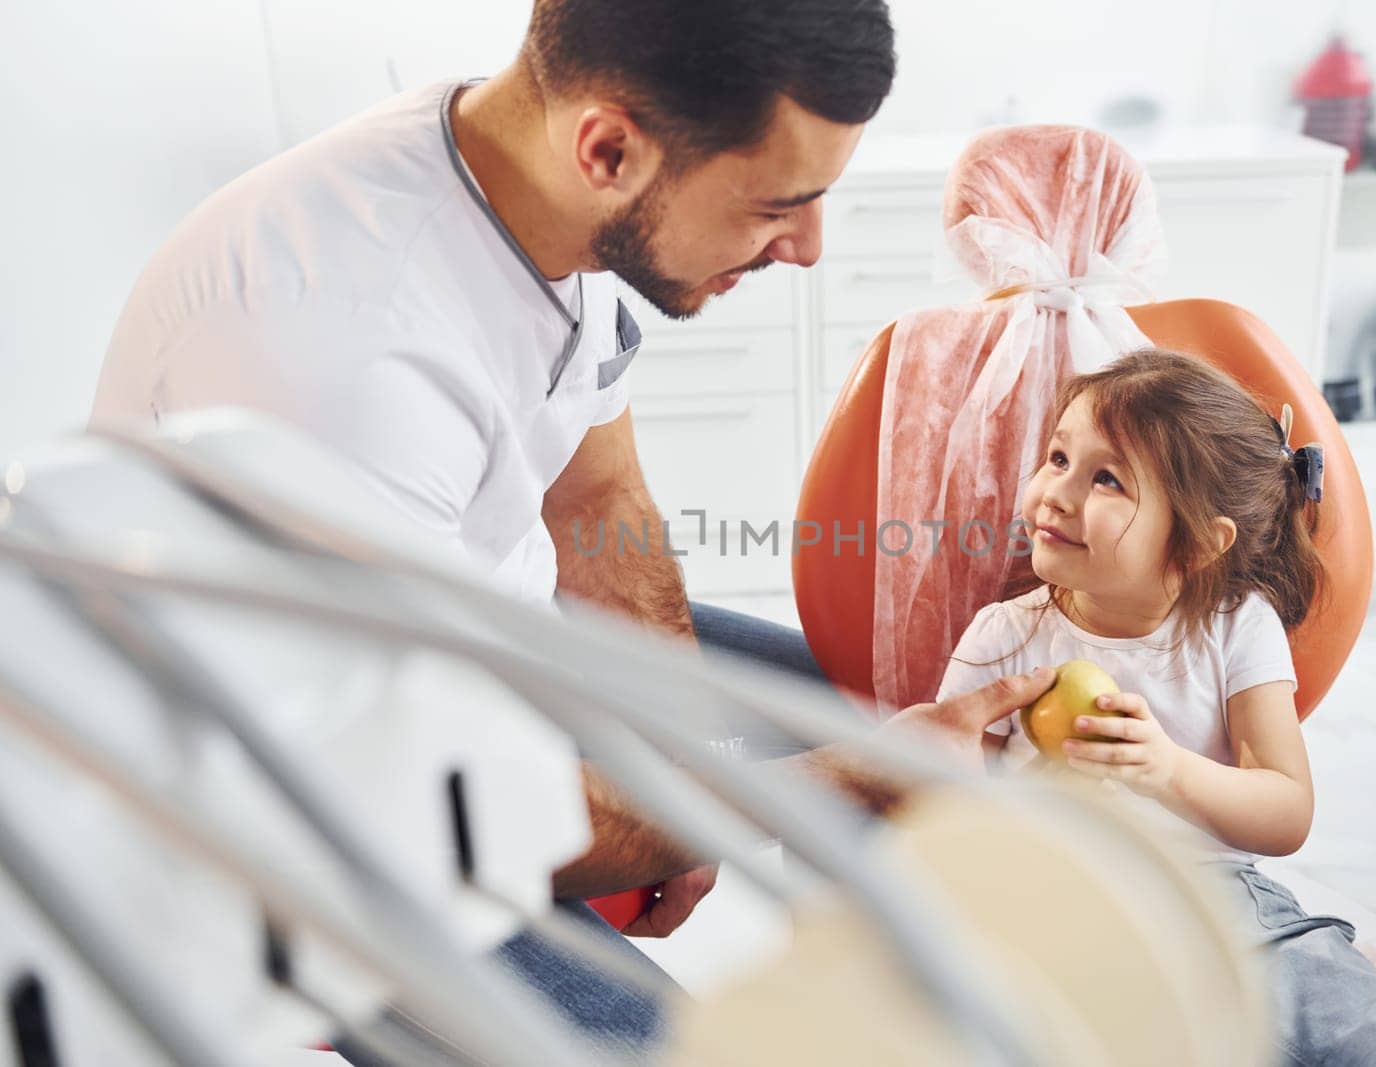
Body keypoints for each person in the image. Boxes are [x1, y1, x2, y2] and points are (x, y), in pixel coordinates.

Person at [86, 0, 1049, 1053]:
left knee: (922, 698)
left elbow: (597, 503)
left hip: (479, 651)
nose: (810, 247)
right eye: (779, 205)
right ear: (609, 150)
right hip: (294, 833)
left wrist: (669, 760)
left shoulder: (532, 186)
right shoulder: (349, 358)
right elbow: (410, 802)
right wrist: (727, 797)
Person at [937, 349, 1376, 1065]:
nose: (1056, 492)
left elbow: (1286, 811)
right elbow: (935, 792)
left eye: (1106, 477)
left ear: (1200, 541)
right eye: (1056, 457)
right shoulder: (1005, 636)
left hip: (1221, 910)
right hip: (1051, 911)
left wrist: (1166, 768)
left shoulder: (1236, 627)